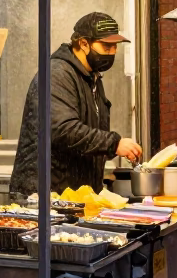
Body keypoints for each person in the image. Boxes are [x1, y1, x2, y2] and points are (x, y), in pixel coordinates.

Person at [9, 12, 142, 197]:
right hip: (46, 195)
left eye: (115, 46)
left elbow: (88, 132)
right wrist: (113, 144)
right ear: (83, 43)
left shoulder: (92, 77)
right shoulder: (57, 74)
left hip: (74, 194)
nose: (113, 52)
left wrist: (112, 150)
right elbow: (63, 129)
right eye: (106, 46)